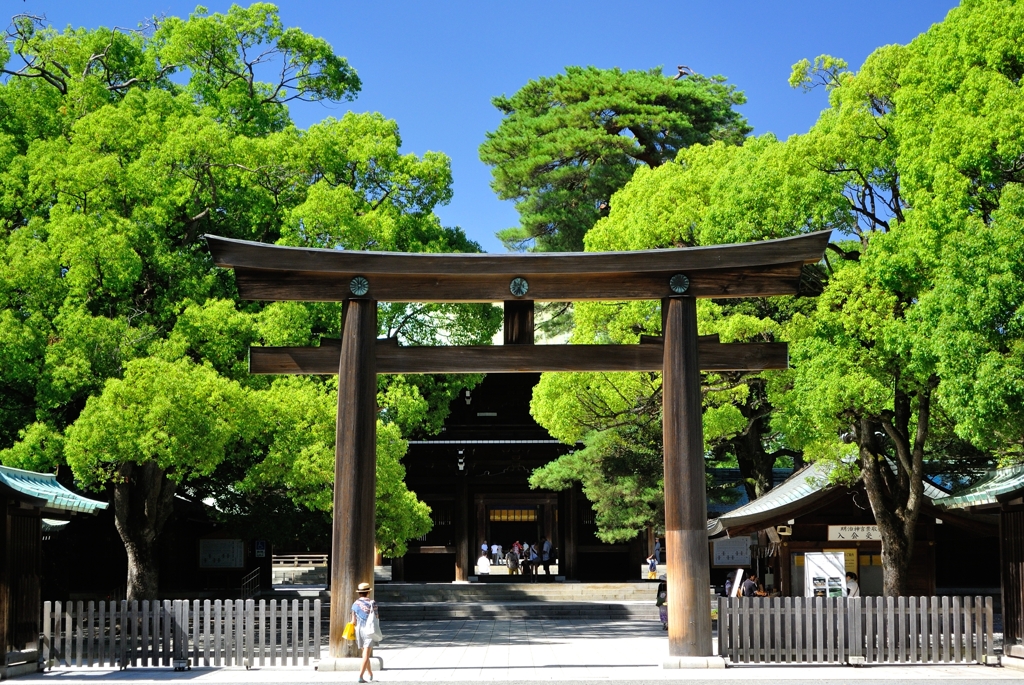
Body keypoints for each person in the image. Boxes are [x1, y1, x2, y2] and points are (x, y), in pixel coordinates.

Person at [351, 582, 378, 683]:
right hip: (369, 629)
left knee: (365, 653)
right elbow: (376, 617)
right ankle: (360, 676)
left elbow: (353, 621)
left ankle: (370, 673)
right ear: (368, 593)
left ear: (359, 593)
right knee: (366, 654)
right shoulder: (372, 603)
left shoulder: (355, 604)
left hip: (359, 629)